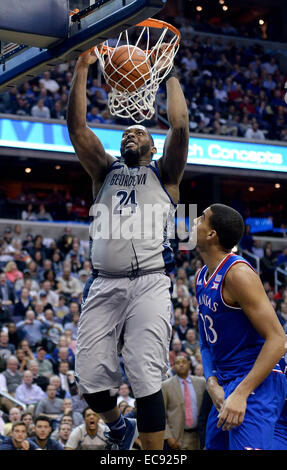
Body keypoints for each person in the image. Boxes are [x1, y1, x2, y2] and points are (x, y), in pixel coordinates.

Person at [67, 43, 189, 451]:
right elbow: (78, 129)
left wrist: (167, 72)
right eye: (125, 133)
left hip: (150, 281)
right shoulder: (103, 171)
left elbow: (181, 126)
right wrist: (83, 68)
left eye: (138, 132)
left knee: (142, 370)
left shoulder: (165, 174)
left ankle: (153, 454)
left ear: (152, 147)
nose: (130, 134)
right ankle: (120, 427)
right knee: (89, 378)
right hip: (103, 282)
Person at [191, 203, 287, 450]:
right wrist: (211, 382)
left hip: (255, 380)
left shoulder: (238, 274)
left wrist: (243, 392)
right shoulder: (201, 277)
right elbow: (205, 342)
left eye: (201, 218)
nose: (193, 222)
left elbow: (278, 340)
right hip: (224, 383)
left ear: (212, 234)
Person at [162, 355, 206, 450]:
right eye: (177, 363)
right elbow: (162, 415)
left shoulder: (201, 382)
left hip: (199, 436)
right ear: (173, 366)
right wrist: (168, 436)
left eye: (184, 362)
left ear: (189, 364)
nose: (181, 365)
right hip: (177, 437)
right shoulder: (166, 386)